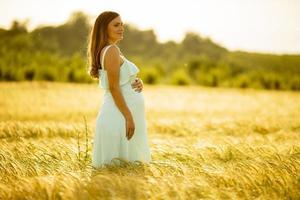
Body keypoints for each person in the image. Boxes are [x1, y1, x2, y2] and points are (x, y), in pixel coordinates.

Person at [87, 11, 151, 168]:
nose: (121, 28)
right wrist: (129, 117)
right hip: (120, 117)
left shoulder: (111, 50)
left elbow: (119, 81)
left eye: (122, 24)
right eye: (116, 25)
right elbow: (113, 87)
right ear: (104, 29)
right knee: (118, 169)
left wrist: (135, 81)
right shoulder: (111, 51)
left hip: (120, 115)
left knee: (123, 170)